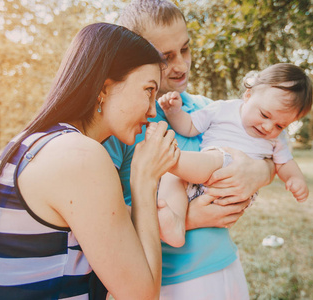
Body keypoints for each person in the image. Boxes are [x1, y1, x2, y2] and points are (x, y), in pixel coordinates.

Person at [0, 23, 179, 300]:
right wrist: (144, 179)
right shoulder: (79, 156)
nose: (153, 110)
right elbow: (141, 295)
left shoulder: (36, 142)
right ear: (104, 87)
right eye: (149, 91)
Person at [102, 1, 275, 299]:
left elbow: (266, 151)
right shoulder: (123, 121)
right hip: (165, 283)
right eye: (165, 57)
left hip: (227, 267)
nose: (181, 66)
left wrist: (259, 171)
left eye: (185, 49)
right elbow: (99, 220)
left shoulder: (207, 110)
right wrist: (190, 218)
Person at [157, 63, 313, 247]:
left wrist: (295, 178)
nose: (269, 127)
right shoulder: (222, 109)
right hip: (200, 182)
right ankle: (175, 225)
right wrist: (174, 112)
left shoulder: (277, 139)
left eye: (281, 126)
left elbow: (285, 163)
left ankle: (170, 158)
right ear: (248, 95)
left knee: (217, 158)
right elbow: (189, 126)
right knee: (172, 177)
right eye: (264, 114)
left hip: (235, 189)